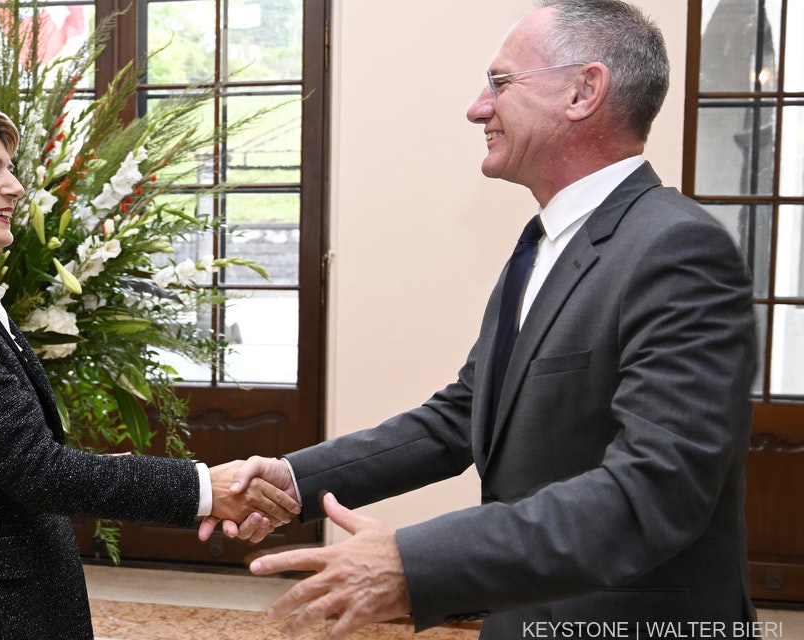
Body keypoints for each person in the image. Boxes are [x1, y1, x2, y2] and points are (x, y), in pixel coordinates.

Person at [200, 1, 758, 638]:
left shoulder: (678, 248)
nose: (477, 108)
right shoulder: (543, 241)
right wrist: (296, 480)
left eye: (500, 83)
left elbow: (657, 490)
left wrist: (416, 563)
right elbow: (463, 416)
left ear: (583, 91)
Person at [0, 99, 297, 639]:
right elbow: (35, 469)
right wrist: (206, 487)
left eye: (10, 170)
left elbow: (0, 461)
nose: (15, 187)